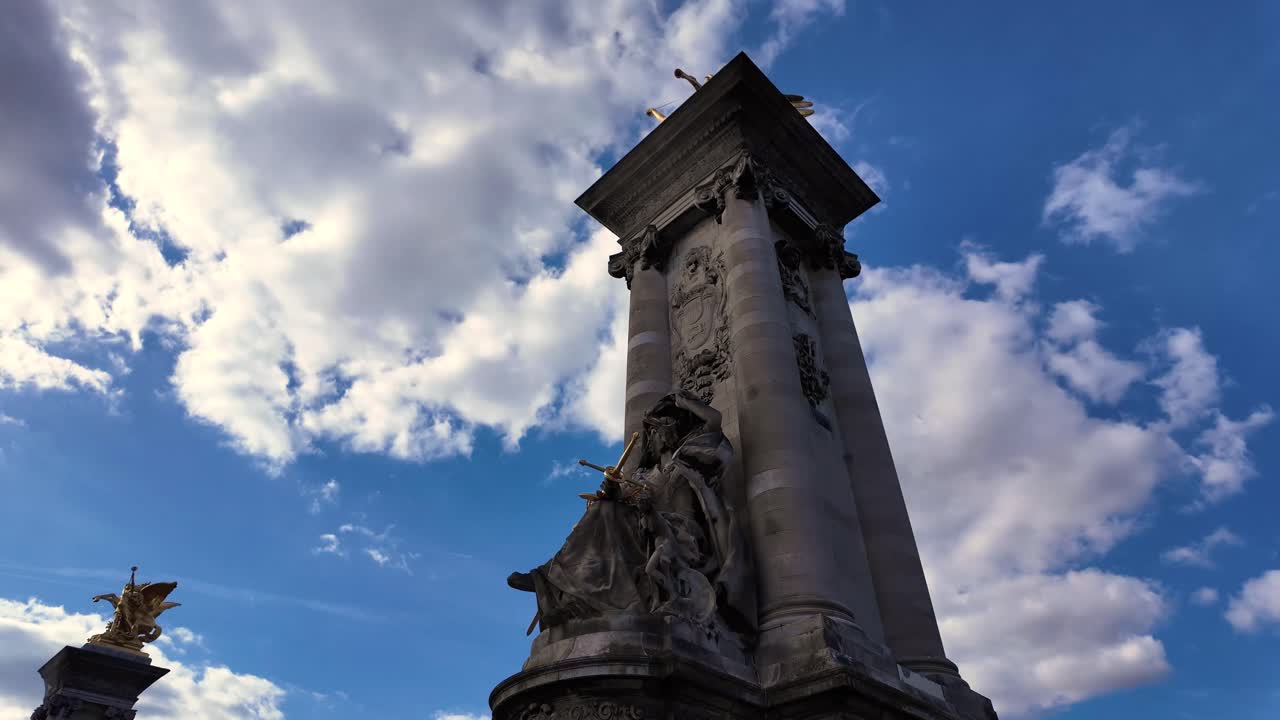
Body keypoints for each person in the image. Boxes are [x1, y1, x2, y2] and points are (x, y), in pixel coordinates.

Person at [508, 390, 755, 637]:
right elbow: (622, 503)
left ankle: (552, 580)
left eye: (657, 431)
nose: (653, 437)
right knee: (605, 509)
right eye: (652, 432)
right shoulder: (640, 476)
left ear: (670, 433)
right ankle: (563, 589)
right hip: (644, 526)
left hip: (682, 535)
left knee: (611, 517)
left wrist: (686, 402)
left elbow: (713, 423)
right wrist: (611, 491)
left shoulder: (685, 464)